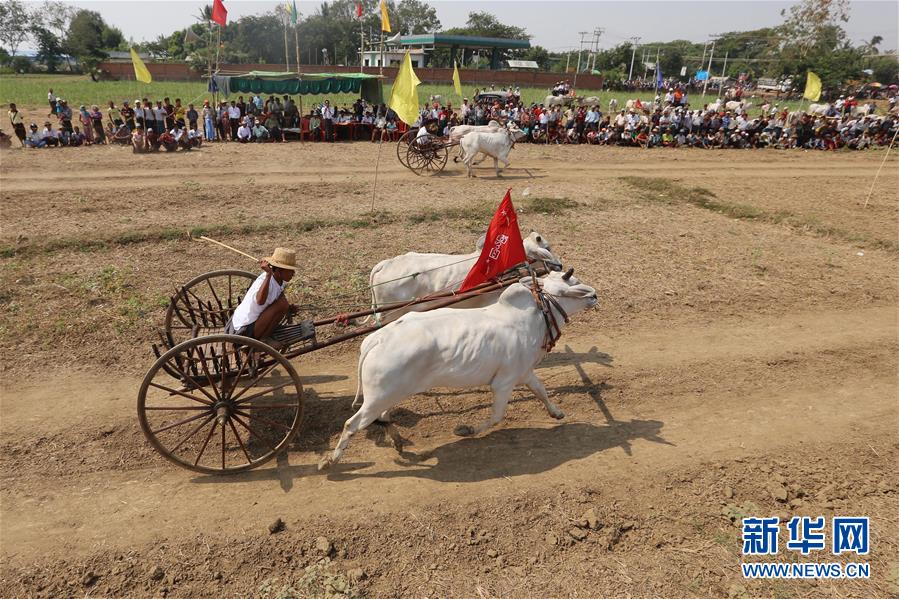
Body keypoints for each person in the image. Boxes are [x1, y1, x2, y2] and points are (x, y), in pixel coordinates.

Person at [226, 248, 297, 349]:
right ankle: (264, 339)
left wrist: (289, 308)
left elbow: (278, 298)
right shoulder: (266, 280)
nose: (293, 273)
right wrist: (268, 275)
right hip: (242, 330)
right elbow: (260, 301)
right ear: (279, 270)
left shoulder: (280, 281)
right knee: (282, 305)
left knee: (283, 304)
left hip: (253, 324)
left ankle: (264, 336)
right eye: (290, 270)